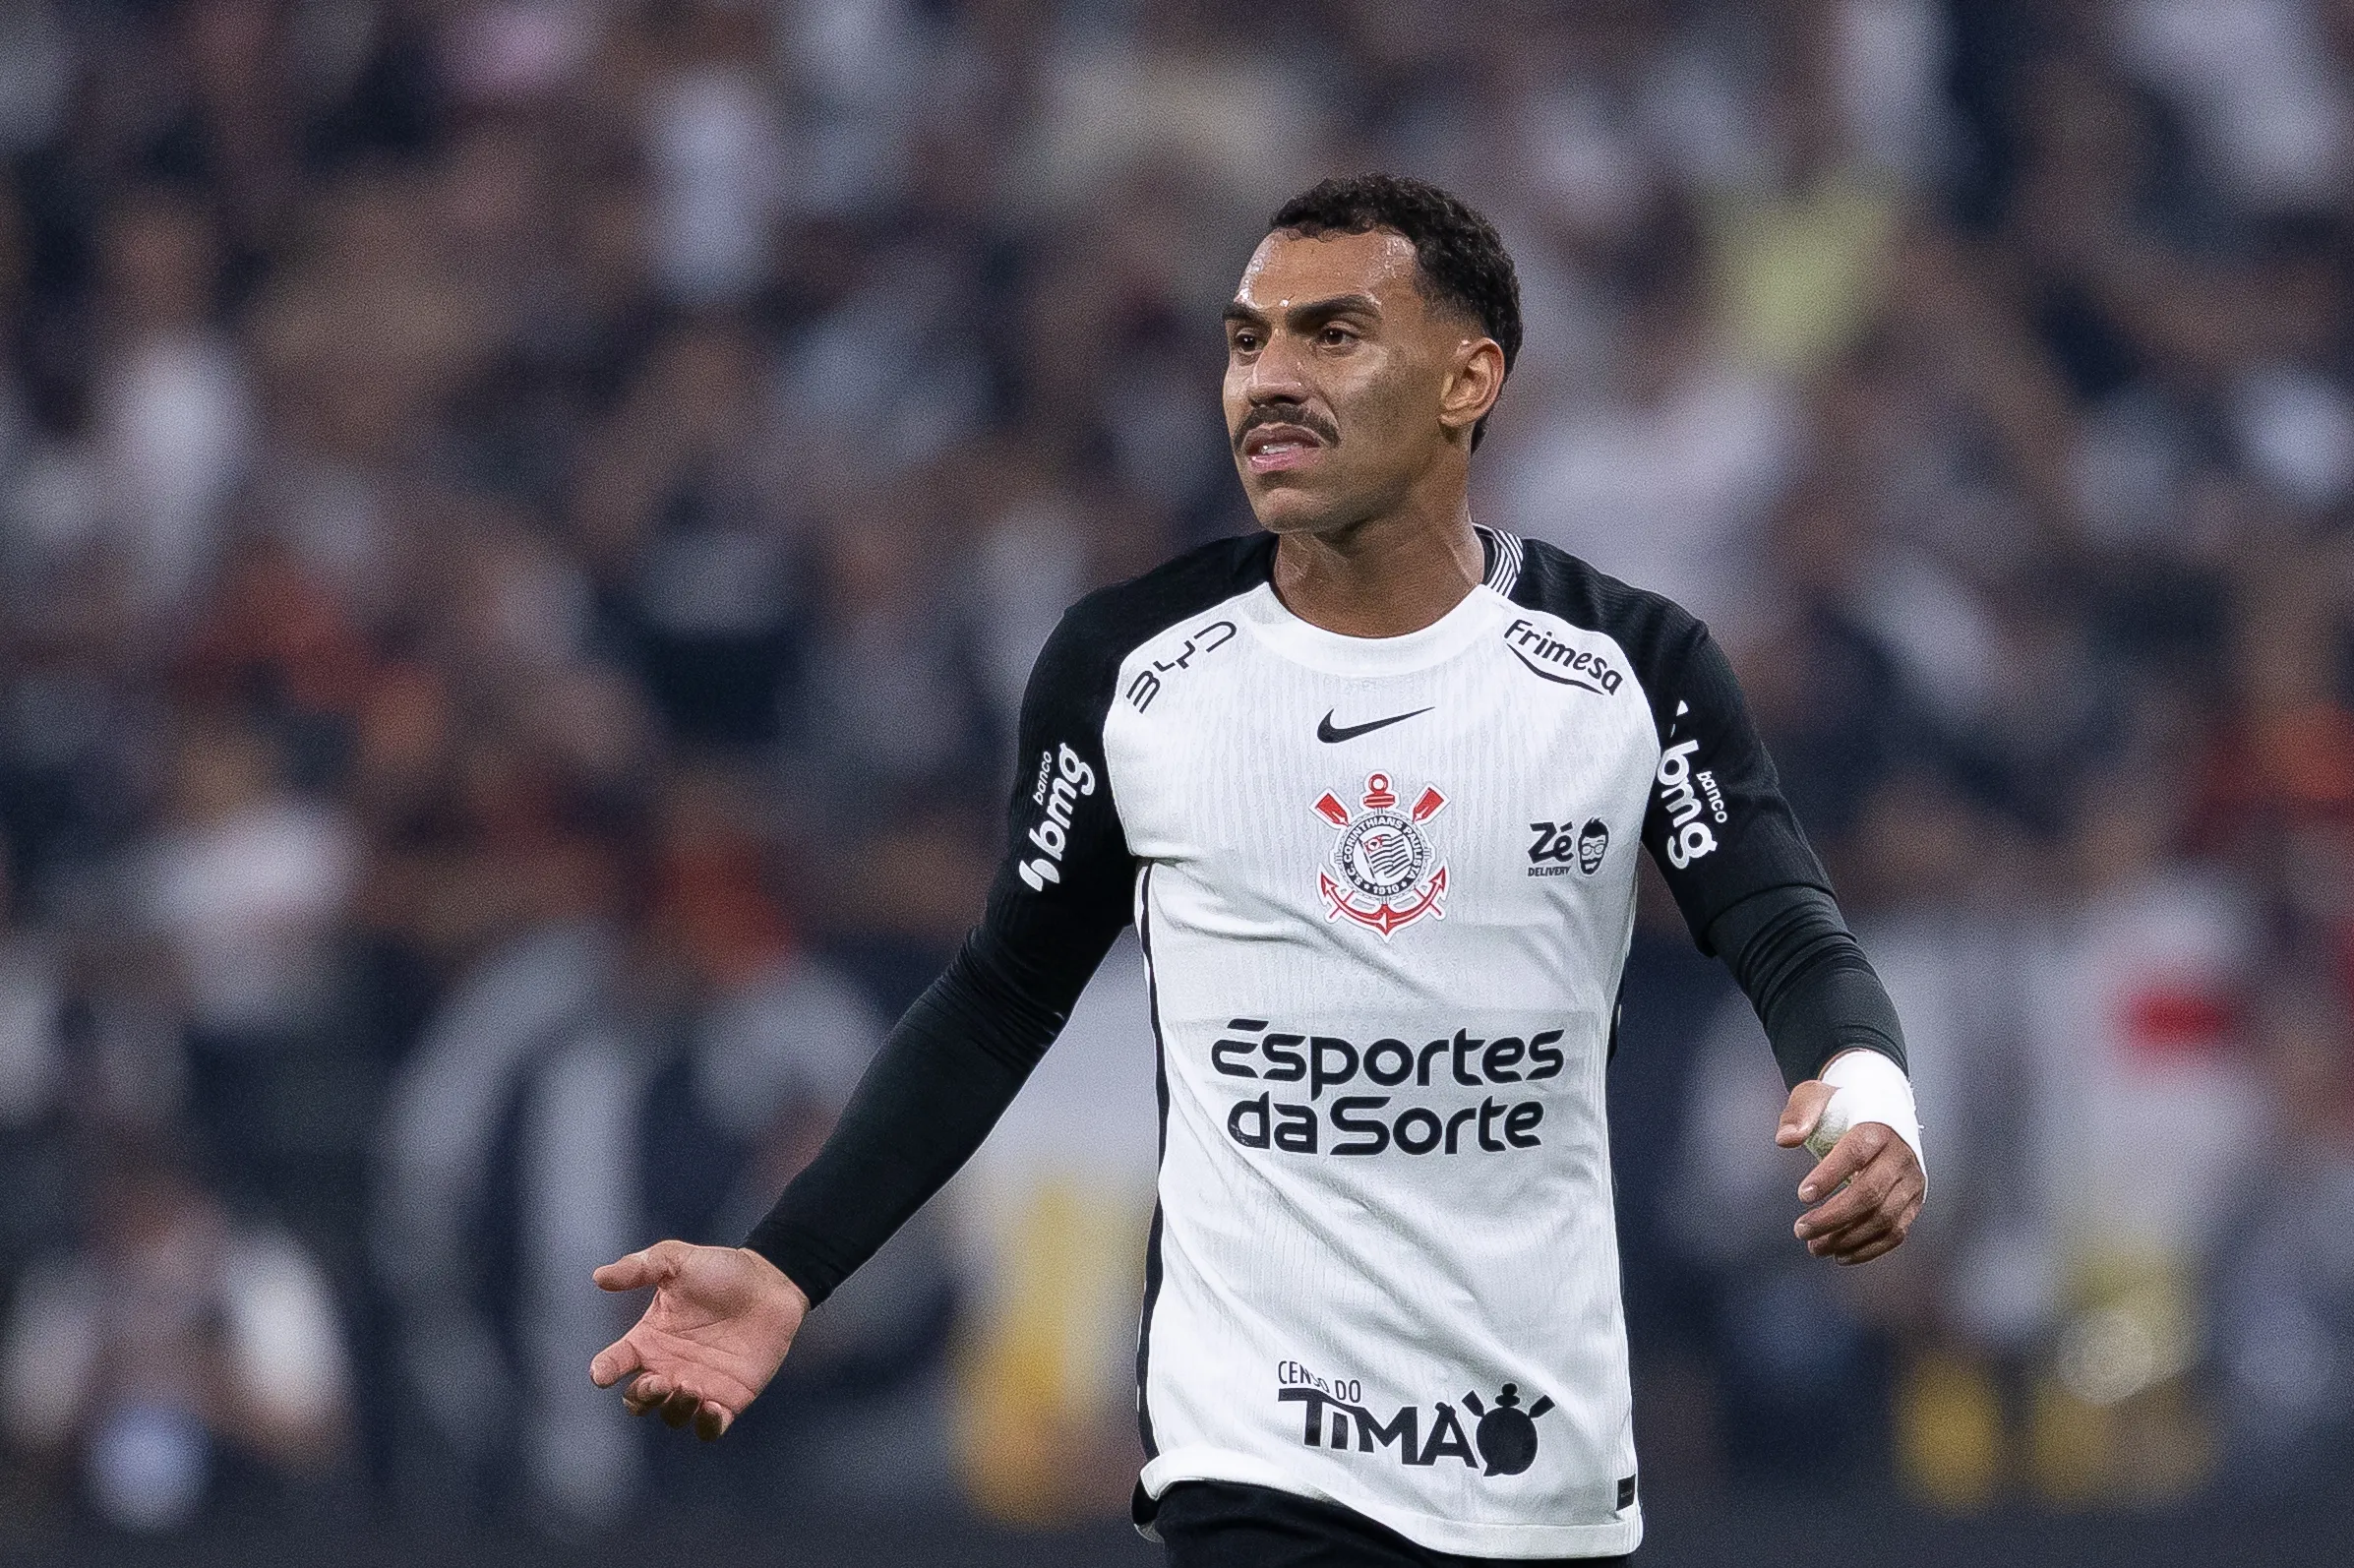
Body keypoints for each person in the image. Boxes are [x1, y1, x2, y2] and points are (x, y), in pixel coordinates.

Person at [588, 175, 1927, 1564]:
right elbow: (998, 999)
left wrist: (1872, 1096)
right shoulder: (1130, 667)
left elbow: (1783, 923)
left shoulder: (1630, 666)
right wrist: (789, 1261)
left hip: (1535, 1459)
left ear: (1472, 376)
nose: (1269, 380)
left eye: (1331, 336)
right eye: (1246, 341)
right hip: (1254, 1455)